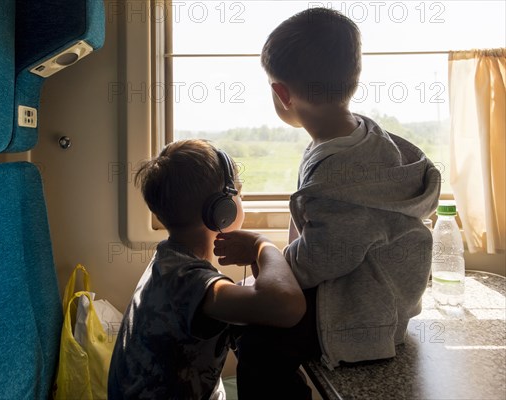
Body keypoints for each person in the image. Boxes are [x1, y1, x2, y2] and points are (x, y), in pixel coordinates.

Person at [218, 7, 442, 399]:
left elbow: (321, 260)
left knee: (257, 341)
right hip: (375, 291)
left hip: (362, 314)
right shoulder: (366, 138)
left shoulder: (336, 173)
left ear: (282, 93)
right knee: (254, 307)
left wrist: (265, 256)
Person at [107, 139, 306, 400]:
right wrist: (262, 244)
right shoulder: (188, 279)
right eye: (239, 193)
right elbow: (287, 308)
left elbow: (254, 304)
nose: (241, 199)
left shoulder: (169, 262)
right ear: (221, 209)